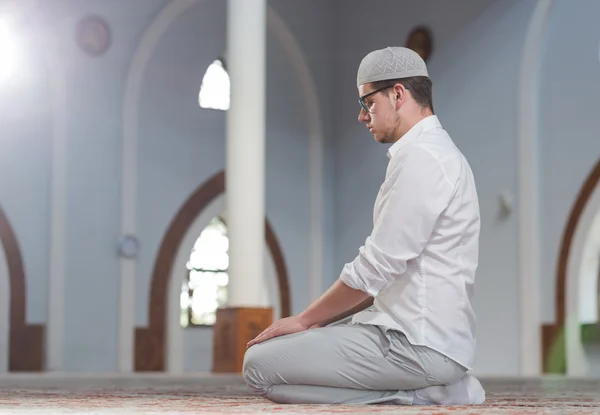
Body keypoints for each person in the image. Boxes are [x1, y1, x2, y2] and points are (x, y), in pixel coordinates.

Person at [242, 46, 486, 406]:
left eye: (367, 102)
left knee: (259, 367)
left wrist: (305, 320)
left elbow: (376, 266)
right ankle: (419, 391)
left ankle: (426, 393)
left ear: (398, 94)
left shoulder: (424, 159)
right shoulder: (429, 153)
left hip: (417, 344)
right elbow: (385, 274)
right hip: (411, 336)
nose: (361, 116)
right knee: (278, 377)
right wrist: (318, 325)